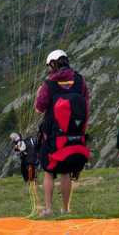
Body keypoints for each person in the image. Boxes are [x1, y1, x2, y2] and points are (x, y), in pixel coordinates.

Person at [35, 49, 90, 217]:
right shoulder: (80, 81)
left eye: (49, 66)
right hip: (74, 134)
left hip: (53, 135)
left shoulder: (49, 84)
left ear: (53, 64)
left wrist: (39, 93)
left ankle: (49, 209)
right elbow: (85, 102)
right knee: (66, 171)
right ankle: (66, 208)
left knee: (49, 171)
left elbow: (38, 109)